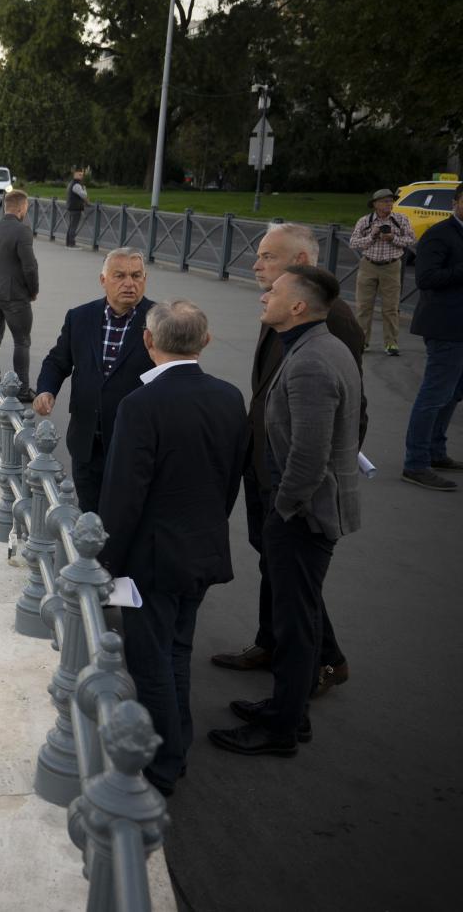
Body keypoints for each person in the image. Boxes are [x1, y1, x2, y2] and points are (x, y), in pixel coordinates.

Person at [209, 265, 362, 757]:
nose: (263, 296)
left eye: (273, 291)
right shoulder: (318, 347)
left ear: (297, 306)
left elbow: (308, 456)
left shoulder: (312, 361)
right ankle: (288, 713)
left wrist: (283, 507)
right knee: (300, 616)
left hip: (303, 515)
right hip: (307, 510)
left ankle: (282, 728)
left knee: (297, 626)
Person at [98, 300, 248, 796]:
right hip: (203, 550)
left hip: (152, 561)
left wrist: (105, 564)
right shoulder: (229, 397)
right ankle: (177, 742)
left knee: (150, 661)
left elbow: (123, 496)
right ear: (205, 341)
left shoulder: (141, 406)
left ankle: (164, 764)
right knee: (178, 650)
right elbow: (229, 481)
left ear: (148, 341)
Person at [32, 248, 155, 512]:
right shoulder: (80, 317)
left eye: (136, 276)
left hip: (134, 445)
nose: (129, 283)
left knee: (129, 518)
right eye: (119, 276)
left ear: (145, 279)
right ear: (103, 280)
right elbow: (57, 361)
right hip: (87, 441)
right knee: (90, 513)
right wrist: (45, 390)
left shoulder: (161, 320)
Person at [402, 181, 463, 492]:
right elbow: (426, 278)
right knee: (435, 395)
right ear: (456, 202)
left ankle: (436, 452)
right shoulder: (439, 233)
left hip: (460, 328)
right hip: (445, 327)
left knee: (452, 394)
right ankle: (416, 463)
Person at [0, 189, 39, 400]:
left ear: (5, 206)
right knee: (22, 341)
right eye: (26, 207)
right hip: (14, 295)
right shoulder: (22, 231)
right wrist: (33, 290)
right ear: (22, 208)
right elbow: (29, 267)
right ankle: (21, 390)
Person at [349, 188, 416, 356]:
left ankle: (391, 343)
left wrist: (393, 238)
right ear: (375, 205)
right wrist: (371, 236)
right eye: (385, 201)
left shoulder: (401, 219)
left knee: (391, 307)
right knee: (364, 307)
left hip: (391, 266)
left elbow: (411, 239)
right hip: (368, 265)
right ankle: (361, 342)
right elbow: (354, 243)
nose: (389, 204)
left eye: (391, 201)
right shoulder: (365, 221)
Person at [65, 168, 89, 248]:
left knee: (71, 226)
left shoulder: (71, 183)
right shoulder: (77, 185)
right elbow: (84, 195)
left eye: (82, 175)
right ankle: (71, 244)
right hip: (75, 208)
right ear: (75, 175)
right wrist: (84, 189)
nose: (81, 176)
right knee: (73, 226)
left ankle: (68, 243)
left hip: (71, 207)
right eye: (79, 174)